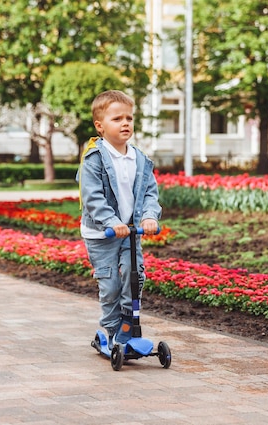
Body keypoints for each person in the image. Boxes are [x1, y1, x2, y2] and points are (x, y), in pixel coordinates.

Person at [77, 89, 162, 348]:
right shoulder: (94, 159)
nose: (125, 123)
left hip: (130, 231)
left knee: (135, 276)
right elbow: (92, 197)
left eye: (129, 118)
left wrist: (149, 217)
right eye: (117, 119)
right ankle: (113, 329)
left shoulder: (139, 159)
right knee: (111, 283)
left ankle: (128, 322)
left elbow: (149, 191)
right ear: (100, 126)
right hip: (102, 234)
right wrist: (112, 222)